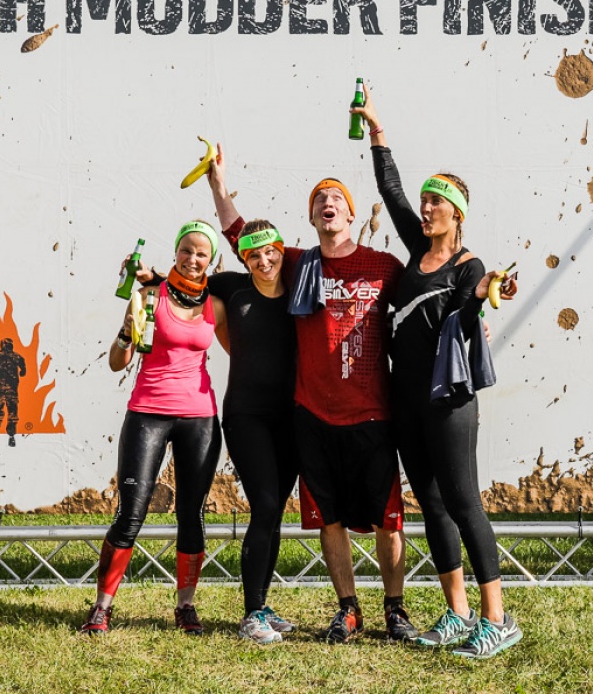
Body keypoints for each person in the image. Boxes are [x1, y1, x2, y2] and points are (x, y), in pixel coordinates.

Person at [209, 149, 419, 644]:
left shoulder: (383, 266)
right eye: (319, 199)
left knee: (388, 522)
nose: (328, 203)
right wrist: (218, 184)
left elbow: (428, 295)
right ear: (311, 218)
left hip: (372, 414)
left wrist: (477, 314)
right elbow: (241, 236)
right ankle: (348, 610)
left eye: (336, 198)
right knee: (331, 520)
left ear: (350, 213)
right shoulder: (298, 263)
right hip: (314, 416)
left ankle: (395, 610)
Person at [351, 85, 523, 659]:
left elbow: (475, 301)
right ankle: (457, 613)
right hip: (406, 403)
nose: (425, 210)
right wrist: (377, 129)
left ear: (457, 213)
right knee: (432, 504)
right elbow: (390, 189)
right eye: (424, 202)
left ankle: (497, 620)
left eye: (436, 203)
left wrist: (489, 290)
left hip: (448, 402)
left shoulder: (468, 265)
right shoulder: (415, 247)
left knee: (464, 502)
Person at [79, 221, 223, 637]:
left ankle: (186, 607)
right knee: (130, 513)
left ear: (211, 260)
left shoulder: (216, 303)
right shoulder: (148, 296)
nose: (192, 259)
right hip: (148, 412)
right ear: (175, 252)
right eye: (186, 250)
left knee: (191, 515)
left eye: (201, 253)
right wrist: (128, 333)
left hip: (200, 417)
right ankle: (101, 608)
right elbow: (117, 362)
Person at [202, 210, 301, 644]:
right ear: (243, 259)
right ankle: (250, 615)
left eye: (269, 253)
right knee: (264, 505)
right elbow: (184, 284)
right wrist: (151, 278)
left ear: (280, 251)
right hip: (246, 416)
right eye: (253, 256)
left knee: (274, 512)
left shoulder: (299, 287)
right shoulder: (231, 287)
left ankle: (262, 605)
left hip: (291, 417)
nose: (263, 261)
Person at [0, 337, 26, 447]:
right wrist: (22, 372)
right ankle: (9, 429)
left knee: (2, 404)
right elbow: (23, 365)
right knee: (11, 408)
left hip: (3, 385)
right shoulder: (15, 356)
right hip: (10, 386)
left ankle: (1, 417)